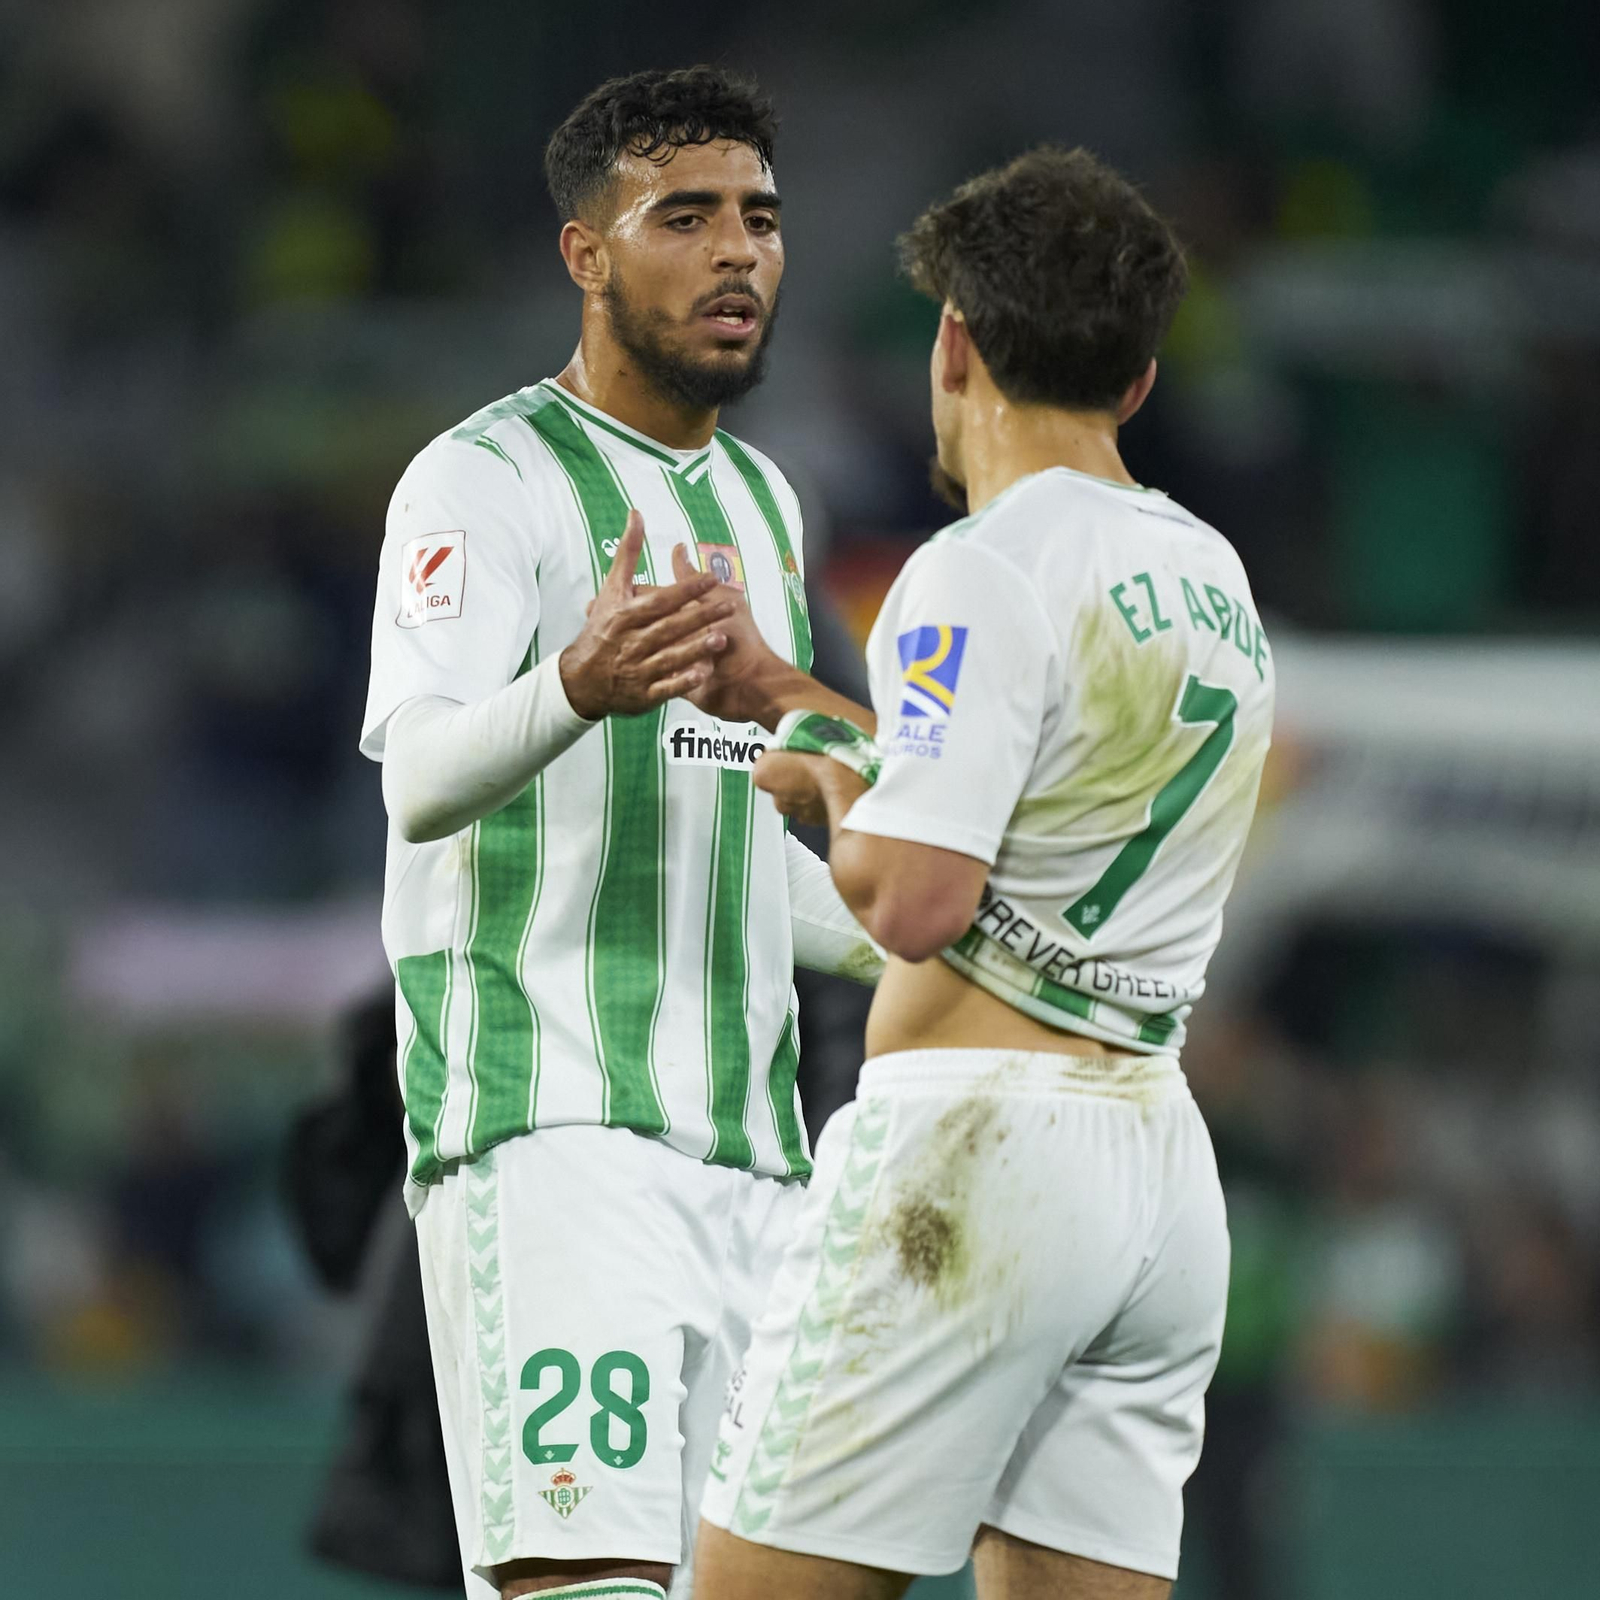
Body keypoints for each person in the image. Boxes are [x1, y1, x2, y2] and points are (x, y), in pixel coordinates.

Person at [689, 146, 1276, 1599]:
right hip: (1153, 1166)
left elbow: (917, 897)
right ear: (1139, 380)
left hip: (977, 1162)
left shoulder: (974, 568)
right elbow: (1035, 812)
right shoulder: (1209, 569)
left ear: (954, 343)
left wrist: (828, 781)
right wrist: (799, 700)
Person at [357, 66, 879, 1600]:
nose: (739, 253)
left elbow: (731, 851)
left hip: (754, 1165)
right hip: (558, 1134)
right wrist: (575, 683)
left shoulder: (769, 509)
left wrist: (933, 938)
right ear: (588, 256)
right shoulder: (484, 477)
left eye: (763, 220)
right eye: (688, 217)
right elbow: (421, 780)